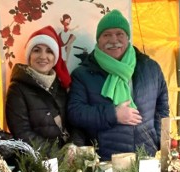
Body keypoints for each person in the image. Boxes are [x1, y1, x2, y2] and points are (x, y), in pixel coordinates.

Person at [67, 9, 169, 160]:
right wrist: (113, 115)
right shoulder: (83, 74)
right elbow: (75, 113)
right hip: (105, 159)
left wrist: (157, 140)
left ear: (127, 37)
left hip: (145, 155)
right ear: (98, 40)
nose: (114, 40)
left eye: (119, 34)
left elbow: (162, 106)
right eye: (107, 34)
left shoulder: (150, 68)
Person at [5, 26, 84, 150]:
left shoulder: (61, 86)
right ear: (29, 55)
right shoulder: (17, 89)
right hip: (38, 164)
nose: (43, 56)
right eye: (37, 50)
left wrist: (74, 147)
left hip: (68, 160)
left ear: (55, 58)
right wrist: (57, 155)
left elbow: (75, 123)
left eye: (49, 51)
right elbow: (22, 133)